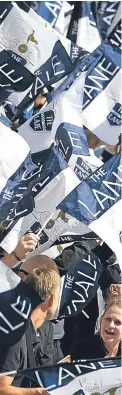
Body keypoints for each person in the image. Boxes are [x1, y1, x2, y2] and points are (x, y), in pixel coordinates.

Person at [0, 257, 60, 394]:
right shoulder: (17, 334)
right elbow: (1, 387)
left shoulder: (30, 327)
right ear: (51, 300)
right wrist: (39, 392)